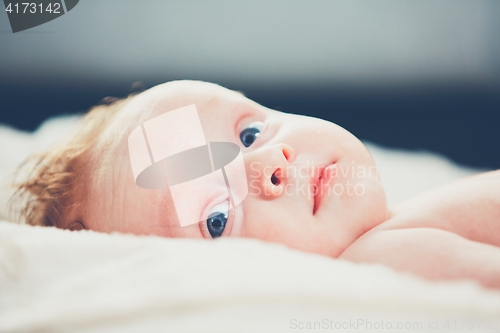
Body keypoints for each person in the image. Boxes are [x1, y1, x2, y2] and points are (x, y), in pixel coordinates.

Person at [13, 80, 500, 289]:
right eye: (217, 217)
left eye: (249, 134)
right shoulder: (382, 259)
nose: (269, 165)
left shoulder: (403, 225)